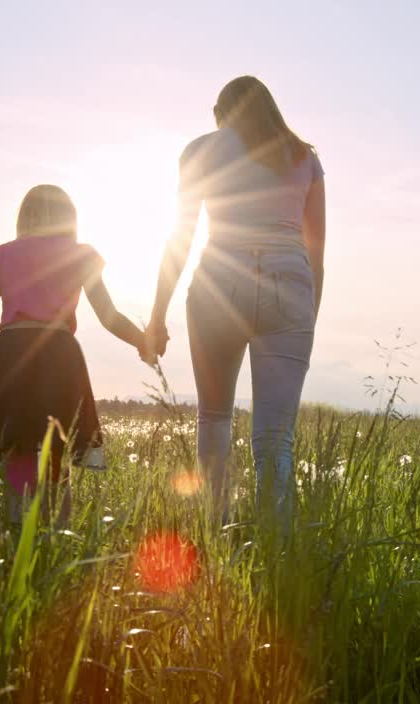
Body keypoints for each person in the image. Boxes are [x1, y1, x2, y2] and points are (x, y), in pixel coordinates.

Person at [146, 75, 326, 524]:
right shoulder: (304, 156)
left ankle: (216, 528)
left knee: (214, 418)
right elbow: (316, 252)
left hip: (218, 284)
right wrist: (308, 317)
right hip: (290, 289)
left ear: (222, 115)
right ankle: (277, 545)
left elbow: (180, 239)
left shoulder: (200, 150)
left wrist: (157, 316)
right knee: (274, 440)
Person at [0, 184, 146, 524]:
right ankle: (56, 538)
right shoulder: (80, 254)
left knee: (16, 448)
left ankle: (15, 538)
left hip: (9, 357)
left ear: (23, 217)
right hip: (59, 356)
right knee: (56, 451)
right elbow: (109, 317)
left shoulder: (5, 253)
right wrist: (143, 341)